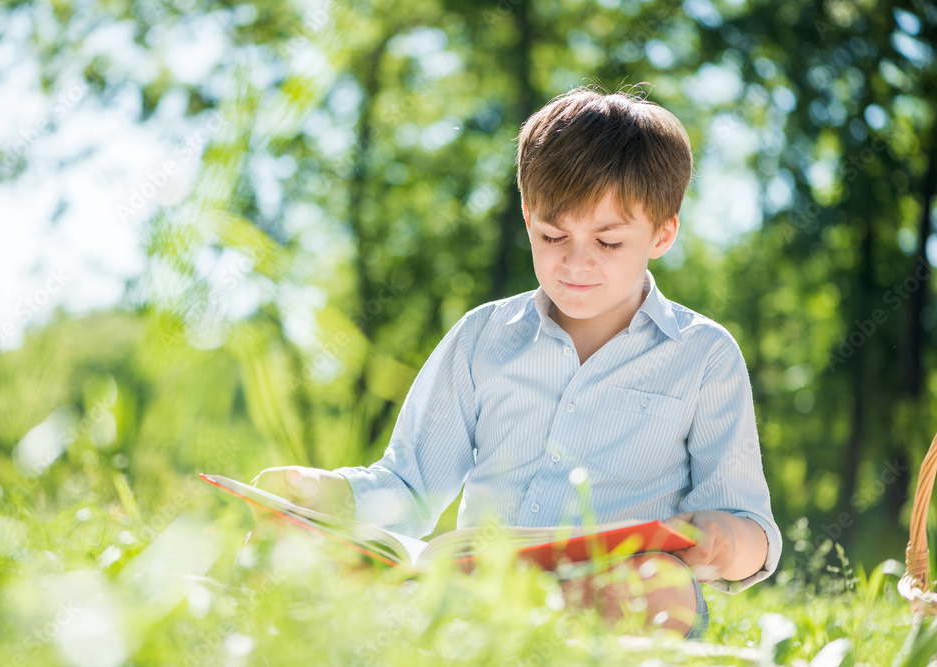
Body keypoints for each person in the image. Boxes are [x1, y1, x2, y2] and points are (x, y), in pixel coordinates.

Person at [249, 86, 781, 640]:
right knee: (289, 548)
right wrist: (322, 492)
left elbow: (751, 530)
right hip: (480, 584)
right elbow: (410, 485)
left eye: (608, 242)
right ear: (528, 218)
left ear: (662, 233)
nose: (577, 262)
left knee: (658, 583)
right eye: (554, 235)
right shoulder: (483, 337)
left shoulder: (704, 355)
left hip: (614, 588)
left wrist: (724, 538)